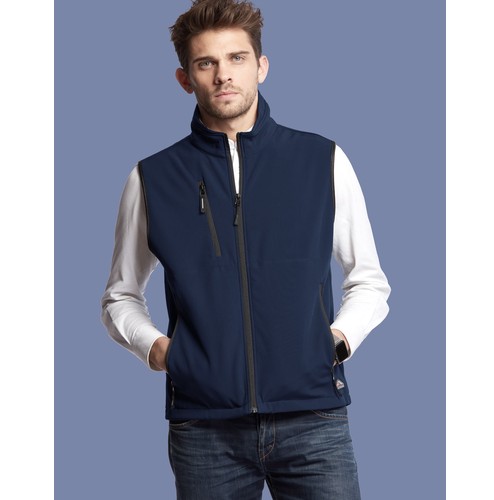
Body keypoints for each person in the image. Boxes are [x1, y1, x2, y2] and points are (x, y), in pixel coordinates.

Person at [101, 0, 391, 498]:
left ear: (261, 66)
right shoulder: (152, 177)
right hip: (204, 428)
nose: (223, 75)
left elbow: (369, 281)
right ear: (185, 78)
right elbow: (119, 296)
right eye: (206, 63)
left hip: (314, 418)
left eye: (237, 58)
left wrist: (336, 341)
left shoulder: (321, 159)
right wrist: (159, 350)